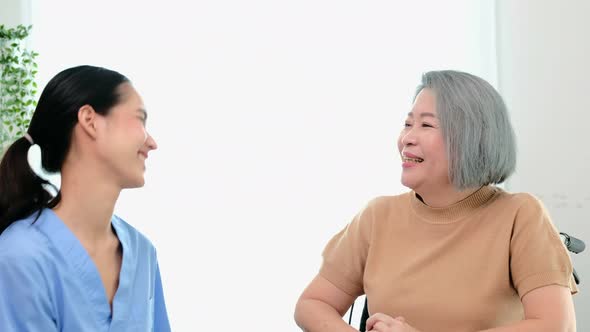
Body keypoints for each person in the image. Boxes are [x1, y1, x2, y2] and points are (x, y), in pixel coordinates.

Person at [294, 70, 577, 332]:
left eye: (426, 124)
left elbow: (555, 324)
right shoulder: (378, 216)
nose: (407, 137)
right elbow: (312, 304)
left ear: (471, 137)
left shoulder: (520, 215)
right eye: (407, 124)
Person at [0, 65, 171, 331]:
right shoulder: (20, 257)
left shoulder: (143, 254)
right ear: (90, 120)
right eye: (140, 119)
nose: (152, 143)